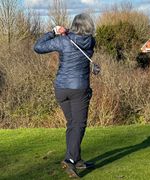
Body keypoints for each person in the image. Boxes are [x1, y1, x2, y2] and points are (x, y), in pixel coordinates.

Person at [34, 13, 95, 178]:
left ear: (74, 25)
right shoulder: (91, 41)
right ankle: (70, 160)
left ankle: (77, 158)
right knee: (78, 125)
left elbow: (38, 47)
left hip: (61, 89)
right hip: (79, 89)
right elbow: (81, 40)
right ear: (89, 26)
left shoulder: (63, 40)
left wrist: (54, 31)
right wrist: (67, 33)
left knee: (73, 124)